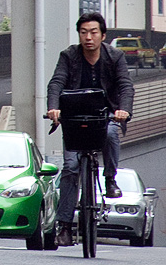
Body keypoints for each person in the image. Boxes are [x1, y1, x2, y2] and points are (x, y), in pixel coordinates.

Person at [46, 12, 134, 246]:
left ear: (102, 35)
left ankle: (110, 180)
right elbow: (57, 82)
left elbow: (125, 86)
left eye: (93, 32)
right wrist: (53, 108)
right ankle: (64, 226)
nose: (88, 37)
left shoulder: (115, 57)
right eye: (83, 32)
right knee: (71, 167)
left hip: (105, 117)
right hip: (74, 119)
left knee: (111, 132)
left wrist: (123, 110)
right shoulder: (68, 56)